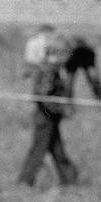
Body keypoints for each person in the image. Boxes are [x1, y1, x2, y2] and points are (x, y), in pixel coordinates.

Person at [19, 36, 78, 186]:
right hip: (45, 118)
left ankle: (70, 180)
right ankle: (25, 182)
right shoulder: (49, 71)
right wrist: (61, 109)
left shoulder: (50, 69)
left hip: (49, 118)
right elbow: (43, 95)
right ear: (58, 55)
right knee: (39, 151)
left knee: (57, 150)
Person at [65, 36, 101, 102]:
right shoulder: (72, 48)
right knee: (69, 82)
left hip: (86, 52)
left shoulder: (87, 49)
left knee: (93, 78)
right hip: (74, 52)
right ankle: (67, 102)